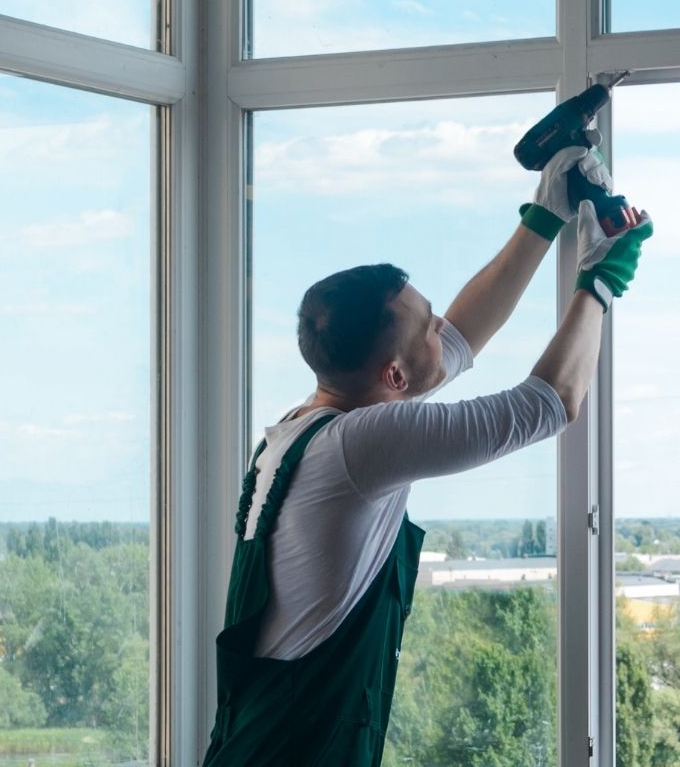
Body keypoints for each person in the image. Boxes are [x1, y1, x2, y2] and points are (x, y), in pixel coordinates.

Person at [201, 85, 654, 767]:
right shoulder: (362, 444)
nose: (442, 330)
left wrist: (545, 214)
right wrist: (601, 279)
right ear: (392, 380)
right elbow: (551, 401)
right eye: (425, 327)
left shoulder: (299, 432)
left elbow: (458, 341)